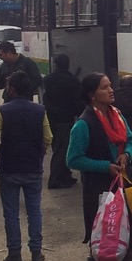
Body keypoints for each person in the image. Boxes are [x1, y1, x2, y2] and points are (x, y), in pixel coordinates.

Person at [67, 73, 132, 261]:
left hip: (122, 190)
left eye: (110, 85)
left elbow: (131, 141)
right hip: (99, 196)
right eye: (105, 87)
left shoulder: (117, 115)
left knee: (114, 248)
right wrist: (105, 166)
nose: (111, 90)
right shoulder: (83, 125)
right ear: (92, 94)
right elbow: (73, 159)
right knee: (112, 248)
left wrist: (126, 156)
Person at [0, 70, 52, 261]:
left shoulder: (3, 110)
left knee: (11, 213)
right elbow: (48, 137)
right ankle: (36, 252)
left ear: (12, 90)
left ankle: (14, 254)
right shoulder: (40, 110)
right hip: (32, 167)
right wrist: (40, 153)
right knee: (34, 211)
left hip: (9, 167)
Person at [43, 52, 82, 189]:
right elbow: (77, 102)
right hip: (65, 119)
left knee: (58, 148)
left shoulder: (48, 79)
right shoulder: (73, 81)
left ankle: (65, 175)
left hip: (51, 118)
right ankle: (55, 180)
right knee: (62, 150)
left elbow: (46, 98)